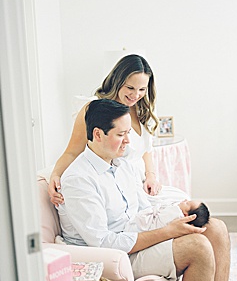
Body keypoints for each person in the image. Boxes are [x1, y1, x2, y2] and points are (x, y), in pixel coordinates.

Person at [57, 99, 237, 281]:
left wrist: (175, 214)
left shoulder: (122, 164)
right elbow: (103, 242)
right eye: (122, 134)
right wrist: (169, 232)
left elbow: (143, 208)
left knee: (216, 229)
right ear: (98, 134)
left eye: (128, 133)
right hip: (116, 256)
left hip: (135, 236)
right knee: (197, 247)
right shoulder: (79, 179)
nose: (128, 140)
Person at [47, 54, 187, 207]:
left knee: (188, 205)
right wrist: (56, 174)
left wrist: (151, 176)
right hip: (119, 190)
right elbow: (72, 151)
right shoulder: (95, 109)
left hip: (143, 185)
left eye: (142, 89)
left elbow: (145, 151)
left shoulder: (141, 109)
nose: (135, 95)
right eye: (130, 88)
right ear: (117, 81)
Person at [125, 200, 211, 233]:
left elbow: (162, 214)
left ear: (186, 215)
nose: (184, 201)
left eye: (187, 203)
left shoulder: (176, 212)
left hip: (140, 226)